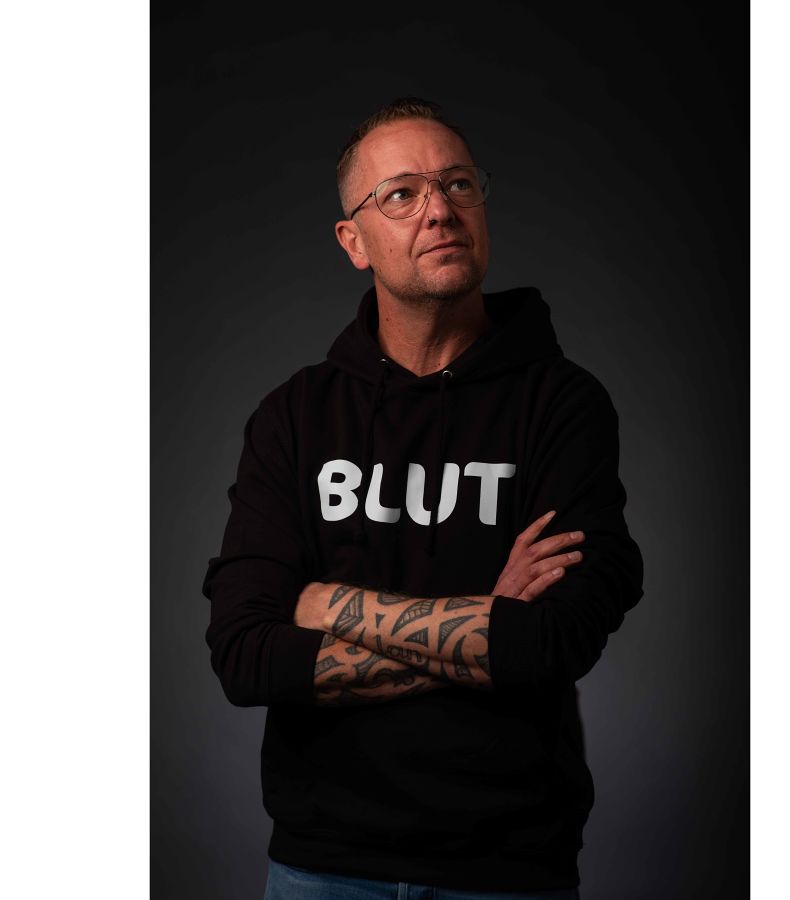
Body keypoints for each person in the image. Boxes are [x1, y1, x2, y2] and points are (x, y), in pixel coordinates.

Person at [203, 96, 644, 899]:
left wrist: (325, 603)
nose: (440, 209)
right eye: (402, 194)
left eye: (458, 184)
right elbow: (245, 657)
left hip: (506, 872)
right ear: (354, 241)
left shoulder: (562, 406)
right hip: (320, 869)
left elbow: (555, 640)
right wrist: (488, 630)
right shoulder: (294, 417)